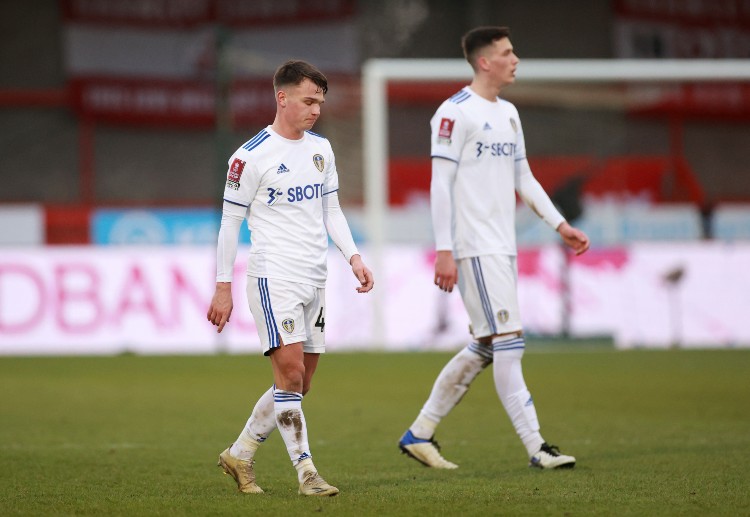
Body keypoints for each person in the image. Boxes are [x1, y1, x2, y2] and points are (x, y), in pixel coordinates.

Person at [398, 26, 590, 470]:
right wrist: (445, 249)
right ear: (485, 62)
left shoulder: (508, 113)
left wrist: (560, 223)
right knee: (510, 341)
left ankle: (420, 433)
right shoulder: (454, 114)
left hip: (502, 246)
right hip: (475, 246)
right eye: (507, 52)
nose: (515, 58)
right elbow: (440, 183)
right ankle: (537, 447)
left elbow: (524, 177)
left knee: (487, 345)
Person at [207, 60, 374, 496]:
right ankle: (306, 473)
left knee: (300, 382)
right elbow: (229, 223)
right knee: (291, 372)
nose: (316, 109)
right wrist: (223, 285)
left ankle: (239, 454)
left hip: (314, 278)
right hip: (272, 278)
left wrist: (353, 256)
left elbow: (331, 209)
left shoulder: (321, 149)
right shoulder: (249, 156)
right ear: (282, 97)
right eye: (308, 100)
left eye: (320, 102)